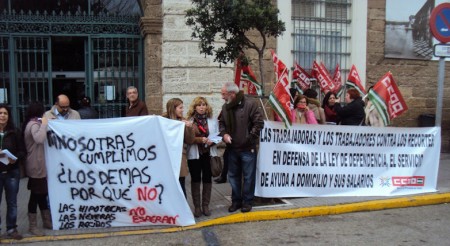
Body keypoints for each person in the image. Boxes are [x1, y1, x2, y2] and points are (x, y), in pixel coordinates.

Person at [219, 82, 264, 213]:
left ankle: (247, 202)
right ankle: (236, 201)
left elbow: (259, 123)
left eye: (224, 94)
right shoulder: (225, 107)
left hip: (247, 149)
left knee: (249, 177)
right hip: (232, 148)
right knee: (233, 177)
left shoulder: (250, 104)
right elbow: (221, 124)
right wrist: (224, 134)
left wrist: (249, 139)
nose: (222, 97)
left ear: (232, 94)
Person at [186, 97, 219, 217]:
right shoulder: (189, 121)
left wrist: (213, 141)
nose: (201, 107)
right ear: (194, 107)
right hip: (194, 155)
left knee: (207, 179)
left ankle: (205, 205)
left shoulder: (212, 120)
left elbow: (218, 135)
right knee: (195, 179)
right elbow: (188, 139)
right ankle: (197, 207)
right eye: (199, 105)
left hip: (208, 154)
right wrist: (201, 140)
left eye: (204, 104)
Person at [22, 102, 52, 235]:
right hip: (36, 165)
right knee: (35, 195)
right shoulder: (34, 125)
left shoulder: (33, 123)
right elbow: (39, 139)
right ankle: (33, 226)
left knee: (42, 194)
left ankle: (47, 221)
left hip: (38, 165)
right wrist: (44, 124)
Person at [0, 105, 25, 240]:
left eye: (5, 113)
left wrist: (14, 159)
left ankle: (11, 228)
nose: (2, 116)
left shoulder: (14, 132)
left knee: (12, 202)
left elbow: (22, 151)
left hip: (11, 172)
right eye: (0, 113)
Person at [162, 98, 194, 197]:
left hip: (180, 158)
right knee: (168, 186)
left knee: (181, 184)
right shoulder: (163, 120)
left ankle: (183, 210)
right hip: (166, 158)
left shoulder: (183, 122)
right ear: (173, 108)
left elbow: (190, 140)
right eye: (180, 108)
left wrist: (189, 128)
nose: (182, 110)